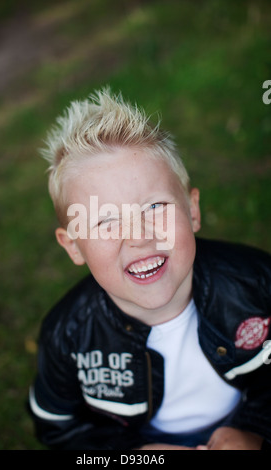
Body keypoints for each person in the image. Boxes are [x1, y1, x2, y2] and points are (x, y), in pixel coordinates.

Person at [28, 88, 271, 450]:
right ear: (74, 245)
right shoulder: (69, 335)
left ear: (192, 211)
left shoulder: (255, 284)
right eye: (106, 222)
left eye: (154, 207)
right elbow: (59, 429)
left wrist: (254, 432)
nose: (138, 236)